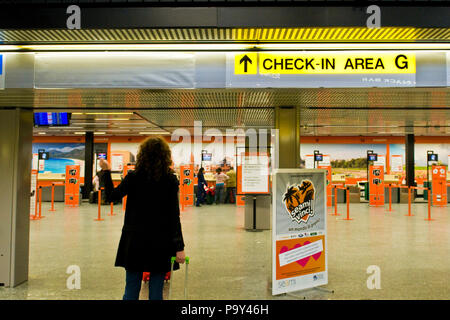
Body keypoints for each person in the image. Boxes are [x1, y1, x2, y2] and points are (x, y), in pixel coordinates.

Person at [99, 136, 186, 300]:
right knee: (156, 291)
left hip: (134, 241)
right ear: (166, 156)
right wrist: (179, 247)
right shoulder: (170, 180)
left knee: (131, 288)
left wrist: (106, 171)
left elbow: (111, 196)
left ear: (142, 155)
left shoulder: (133, 177)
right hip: (161, 241)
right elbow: (174, 216)